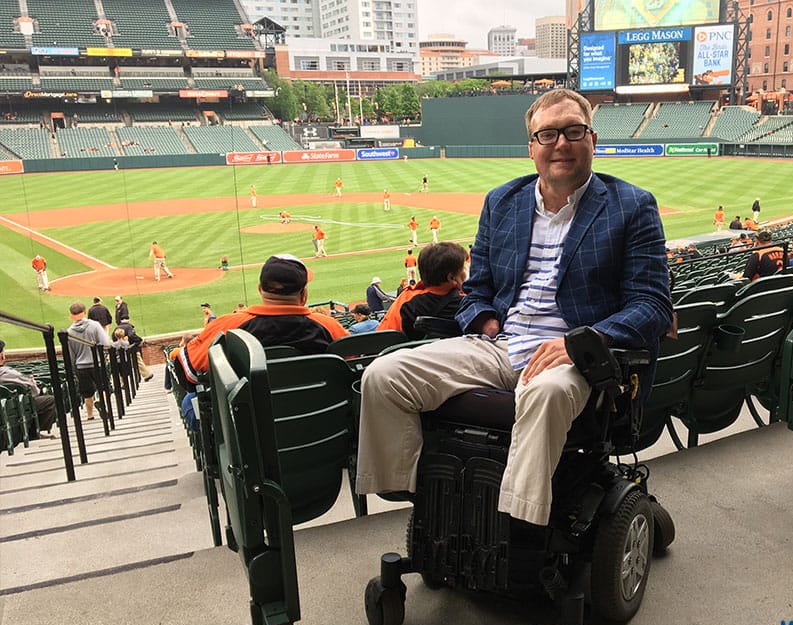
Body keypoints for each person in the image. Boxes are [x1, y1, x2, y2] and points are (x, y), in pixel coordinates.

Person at [356, 89, 673, 527]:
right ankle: (428, 503)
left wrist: (582, 342)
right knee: (384, 375)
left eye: (573, 131)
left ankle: (515, 528)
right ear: (531, 147)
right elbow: (476, 290)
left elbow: (652, 304)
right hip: (501, 344)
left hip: (574, 357)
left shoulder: (633, 205)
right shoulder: (502, 201)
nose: (560, 143)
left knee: (545, 394)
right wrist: (485, 321)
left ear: (592, 140)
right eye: (547, 134)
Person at [177, 254, 349, 384]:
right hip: (324, 419)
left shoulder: (227, 326)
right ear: (303, 294)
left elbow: (190, 375)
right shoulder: (329, 326)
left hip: (251, 421)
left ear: (260, 289)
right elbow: (353, 366)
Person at [376, 242, 466, 340]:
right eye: (463, 268)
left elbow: (383, 338)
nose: (465, 272)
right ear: (451, 278)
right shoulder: (469, 303)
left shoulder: (405, 300)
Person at [0, 338, 58, 435]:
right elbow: (35, 392)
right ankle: (34, 433)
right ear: (2, 355)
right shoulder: (10, 373)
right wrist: (33, 384)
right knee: (50, 400)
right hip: (17, 408)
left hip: (7, 410)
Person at [67, 301, 112, 420]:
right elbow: (106, 343)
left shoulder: (69, 332)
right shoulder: (95, 325)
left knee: (87, 393)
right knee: (104, 387)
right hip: (97, 363)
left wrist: (74, 369)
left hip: (81, 366)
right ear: (85, 312)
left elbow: (71, 354)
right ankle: (101, 403)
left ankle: (90, 415)